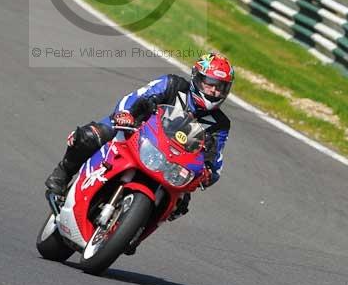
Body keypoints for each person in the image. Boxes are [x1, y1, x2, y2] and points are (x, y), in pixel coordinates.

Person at [45, 53, 234, 220]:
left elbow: (216, 157)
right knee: (89, 136)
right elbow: (137, 97)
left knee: (180, 202)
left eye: (221, 88)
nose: (215, 91)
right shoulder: (173, 84)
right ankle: (61, 175)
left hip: (172, 163)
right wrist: (127, 113)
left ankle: (137, 228)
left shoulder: (221, 123)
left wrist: (208, 173)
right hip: (135, 133)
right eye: (210, 84)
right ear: (197, 78)